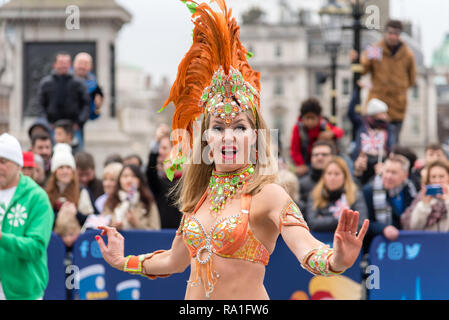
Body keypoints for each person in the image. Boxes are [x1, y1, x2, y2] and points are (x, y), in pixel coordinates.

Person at [95, 1, 368, 300]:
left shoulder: (268, 194)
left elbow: (306, 249)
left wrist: (337, 259)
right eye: (218, 128)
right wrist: (123, 261)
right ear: (206, 139)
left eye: (240, 127)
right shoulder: (198, 196)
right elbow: (174, 261)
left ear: (255, 137)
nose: (229, 137)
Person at [0, 133, 54, 300]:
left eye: (3, 161)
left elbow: (36, 247)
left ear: (18, 165)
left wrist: (2, 238)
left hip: (23, 292)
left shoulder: (37, 198)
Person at [351, 19, 416, 144]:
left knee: (392, 143)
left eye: (396, 34)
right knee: (373, 141)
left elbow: (412, 79)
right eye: (390, 33)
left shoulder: (408, 54)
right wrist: (355, 61)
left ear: (400, 35)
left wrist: (400, 89)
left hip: (397, 106)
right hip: (377, 105)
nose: (392, 36)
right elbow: (363, 69)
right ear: (385, 33)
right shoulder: (376, 49)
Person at [35, 51, 90, 149]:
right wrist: (46, 122)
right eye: (61, 63)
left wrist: (79, 122)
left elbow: (86, 104)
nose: (64, 66)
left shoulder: (78, 83)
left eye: (66, 63)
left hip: (74, 128)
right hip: (52, 127)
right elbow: (40, 104)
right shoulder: (46, 83)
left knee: (77, 155)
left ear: (70, 64)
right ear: (54, 64)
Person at [363, 154, 417, 248]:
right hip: (377, 246)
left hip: (406, 243)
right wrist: (383, 228)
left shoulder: (410, 189)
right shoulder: (369, 191)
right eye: (387, 171)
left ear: (405, 175)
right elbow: (364, 222)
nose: (388, 176)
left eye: (394, 173)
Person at [306, 156, 368, 233]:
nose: (332, 177)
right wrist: (345, 221)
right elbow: (312, 223)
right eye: (329, 173)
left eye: (337, 174)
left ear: (345, 176)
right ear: (324, 176)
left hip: (345, 241)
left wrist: (323, 219)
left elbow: (361, 224)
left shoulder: (355, 194)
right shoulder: (315, 194)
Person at [348, 87, 395, 186]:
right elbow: (351, 112)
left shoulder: (388, 128)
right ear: (374, 114)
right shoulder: (362, 124)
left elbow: (391, 145)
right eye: (382, 113)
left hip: (381, 161)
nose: (385, 116)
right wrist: (357, 92)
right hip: (363, 161)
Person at [290, 97, 344, 177]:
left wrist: (331, 133)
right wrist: (300, 164)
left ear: (318, 118)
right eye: (307, 118)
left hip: (323, 159)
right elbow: (295, 151)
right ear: (302, 118)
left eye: (313, 118)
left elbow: (339, 132)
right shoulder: (298, 129)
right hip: (306, 163)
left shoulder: (324, 125)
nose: (310, 121)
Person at [46, 144, 95, 229]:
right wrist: (60, 213)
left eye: (68, 167)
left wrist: (76, 213)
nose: (65, 171)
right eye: (61, 167)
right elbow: (43, 219)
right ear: (54, 172)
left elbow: (92, 220)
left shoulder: (82, 191)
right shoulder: (47, 192)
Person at [146, 124, 183, 229]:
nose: (160, 152)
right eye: (158, 148)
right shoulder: (159, 182)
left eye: (164, 148)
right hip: (161, 233)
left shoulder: (186, 180)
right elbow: (150, 171)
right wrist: (155, 142)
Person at [102, 164, 160, 230]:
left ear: (140, 180)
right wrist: (113, 226)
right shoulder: (111, 201)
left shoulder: (148, 202)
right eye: (125, 176)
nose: (129, 180)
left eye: (133, 176)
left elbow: (156, 230)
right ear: (119, 180)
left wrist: (136, 224)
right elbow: (102, 225)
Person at [401, 160, 449, 232]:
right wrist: (424, 204)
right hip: (427, 240)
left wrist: (447, 201)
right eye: (433, 177)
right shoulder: (422, 195)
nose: (437, 180)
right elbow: (414, 227)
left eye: (441, 176)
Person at [73, 52, 104, 149]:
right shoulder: (66, 80)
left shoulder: (94, 85)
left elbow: (93, 114)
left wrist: (98, 107)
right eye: (80, 63)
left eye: (86, 64)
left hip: (80, 125)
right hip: (64, 124)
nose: (82, 66)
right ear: (74, 64)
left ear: (90, 67)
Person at [298, 140, 337, 212]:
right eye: (315, 155)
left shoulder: (343, 181)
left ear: (333, 157)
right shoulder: (302, 184)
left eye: (324, 154)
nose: (319, 158)